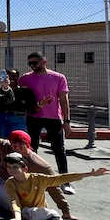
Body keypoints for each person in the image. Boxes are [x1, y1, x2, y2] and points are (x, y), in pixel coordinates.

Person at [0, 118, 73, 219]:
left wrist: (65, 210)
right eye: (14, 143)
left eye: (20, 144)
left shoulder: (39, 164)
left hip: (12, 187)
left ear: (27, 144)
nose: (16, 147)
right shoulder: (5, 145)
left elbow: (54, 186)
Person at [4, 153, 109, 220]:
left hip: (41, 215)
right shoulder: (10, 183)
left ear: (24, 168)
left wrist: (90, 174)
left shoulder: (38, 178)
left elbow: (61, 178)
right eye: (8, 167)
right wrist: (18, 219)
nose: (11, 170)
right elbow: (15, 202)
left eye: (15, 167)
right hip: (25, 213)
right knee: (56, 219)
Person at [19, 52, 73, 191]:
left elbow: (63, 100)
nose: (32, 66)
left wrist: (66, 121)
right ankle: (32, 178)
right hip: (33, 118)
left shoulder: (59, 77)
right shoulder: (25, 79)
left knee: (59, 149)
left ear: (44, 62)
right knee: (31, 149)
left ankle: (64, 181)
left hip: (54, 118)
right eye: (29, 63)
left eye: (35, 63)